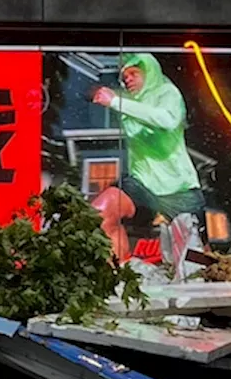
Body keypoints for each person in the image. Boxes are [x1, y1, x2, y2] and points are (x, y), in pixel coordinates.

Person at [88, 53, 207, 263]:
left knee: (197, 258)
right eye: (124, 77)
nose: (128, 80)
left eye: (133, 73)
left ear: (150, 72)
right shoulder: (128, 103)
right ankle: (120, 278)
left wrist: (116, 101)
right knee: (100, 214)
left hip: (178, 188)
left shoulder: (167, 93)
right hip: (141, 183)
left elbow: (167, 120)